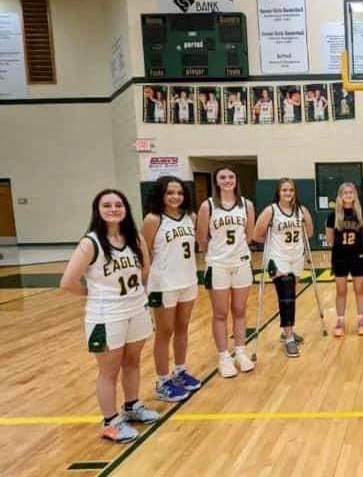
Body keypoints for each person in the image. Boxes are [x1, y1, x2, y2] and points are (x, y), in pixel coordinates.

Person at [60, 189, 159, 443]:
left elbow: (145, 271)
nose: (113, 209)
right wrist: (92, 294)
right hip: (106, 315)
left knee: (133, 361)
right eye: (107, 205)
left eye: (118, 204)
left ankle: (132, 405)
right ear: (98, 210)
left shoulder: (134, 237)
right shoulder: (90, 242)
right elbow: (67, 282)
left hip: (136, 308)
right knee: (109, 370)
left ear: (125, 208)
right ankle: (110, 421)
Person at [142, 176, 201, 402]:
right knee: (164, 333)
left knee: (183, 327)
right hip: (163, 284)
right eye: (170, 193)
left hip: (187, 280)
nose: (175, 197)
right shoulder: (153, 220)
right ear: (161, 195)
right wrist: (146, 284)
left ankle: (180, 370)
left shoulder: (190, 217)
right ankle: (163, 380)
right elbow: (143, 253)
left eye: (179, 193)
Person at [196, 167, 256, 378]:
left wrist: (237, 252)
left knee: (239, 310)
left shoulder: (246, 205)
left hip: (241, 263)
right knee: (220, 313)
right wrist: (217, 255)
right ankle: (223, 356)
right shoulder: (208, 206)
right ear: (216, 181)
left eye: (231, 176)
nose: (227, 180)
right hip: (218, 265)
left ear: (236, 180)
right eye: (223, 177)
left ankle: (240, 352)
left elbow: (249, 235)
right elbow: (202, 238)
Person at [253, 178, 313, 357]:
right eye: (284, 190)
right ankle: (288, 338)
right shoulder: (271, 211)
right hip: (278, 258)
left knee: (291, 297)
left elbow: (308, 232)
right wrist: (274, 244)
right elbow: (256, 235)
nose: (288, 193)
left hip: (296, 257)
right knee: (286, 296)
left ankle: (287, 329)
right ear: (278, 192)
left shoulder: (301, 211)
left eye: (291, 190)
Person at [326, 183, 363, 337]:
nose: (348, 195)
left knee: (359, 289)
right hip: (340, 257)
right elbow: (330, 238)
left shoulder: (361, 214)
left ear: (355, 195)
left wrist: (357, 248)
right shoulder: (333, 215)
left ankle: (361, 320)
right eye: (345, 192)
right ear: (340, 196)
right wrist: (342, 249)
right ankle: (340, 321)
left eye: (351, 192)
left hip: (357, 256)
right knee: (341, 291)